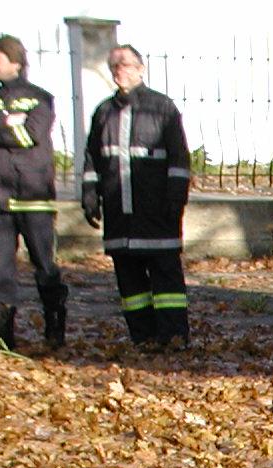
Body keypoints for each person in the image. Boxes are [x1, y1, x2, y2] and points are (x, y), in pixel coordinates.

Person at [80, 44, 191, 348]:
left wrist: (175, 198)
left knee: (166, 277)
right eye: (114, 65)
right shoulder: (103, 112)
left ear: (141, 68)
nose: (120, 70)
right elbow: (93, 159)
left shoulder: (162, 107)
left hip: (156, 209)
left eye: (127, 64)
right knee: (130, 282)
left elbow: (179, 159)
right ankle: (143, 337)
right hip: (119, 212)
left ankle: (175, 335)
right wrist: (90, 193)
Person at [0, 34, 68, 350]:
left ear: (16, 61)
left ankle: (55, 332)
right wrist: (5, 121)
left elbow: (30, 134)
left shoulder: (39, 98)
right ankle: (2, 339)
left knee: (45, 267)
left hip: (33, 198)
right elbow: (7, 129)